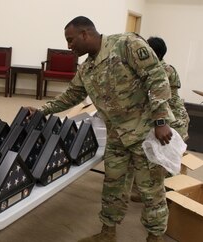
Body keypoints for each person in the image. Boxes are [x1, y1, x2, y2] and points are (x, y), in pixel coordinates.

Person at [28, 16, 175, 242]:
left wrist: (160, 120)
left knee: (151, 191)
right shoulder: (86, 69)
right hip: (116, 136)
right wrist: (42, 110)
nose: (68, 46)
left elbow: (156, 78)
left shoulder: (127, 44)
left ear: (85, 34)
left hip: (144, 133)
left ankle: (154, 237)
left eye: (71, 40)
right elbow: (71, 96)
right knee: (113, 186)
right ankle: (108, 234)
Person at [130, 36, 190, 203]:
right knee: (169, 158)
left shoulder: (155, 71)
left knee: (159, 160)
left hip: (168, 121)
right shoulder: (170, 68)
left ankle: (161, 198)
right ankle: (168, 195)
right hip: (179, 116)